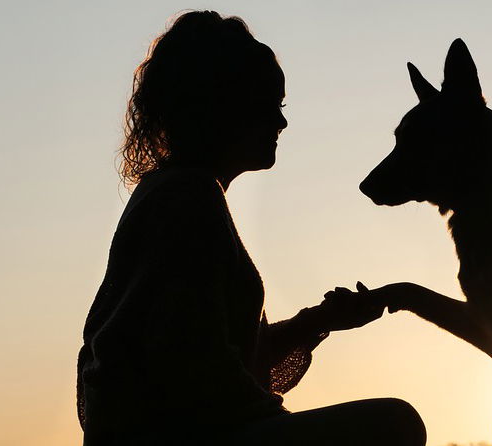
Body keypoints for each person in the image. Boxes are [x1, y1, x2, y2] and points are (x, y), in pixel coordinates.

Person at [76, 11, 426, 446]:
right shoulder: (186, 197)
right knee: (396, 423)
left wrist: (321, 321)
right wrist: (278, 423)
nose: (281, 123)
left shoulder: (180, 191)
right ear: (219, 107)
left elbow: (225, 355)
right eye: (267, 107)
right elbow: (194, 368)